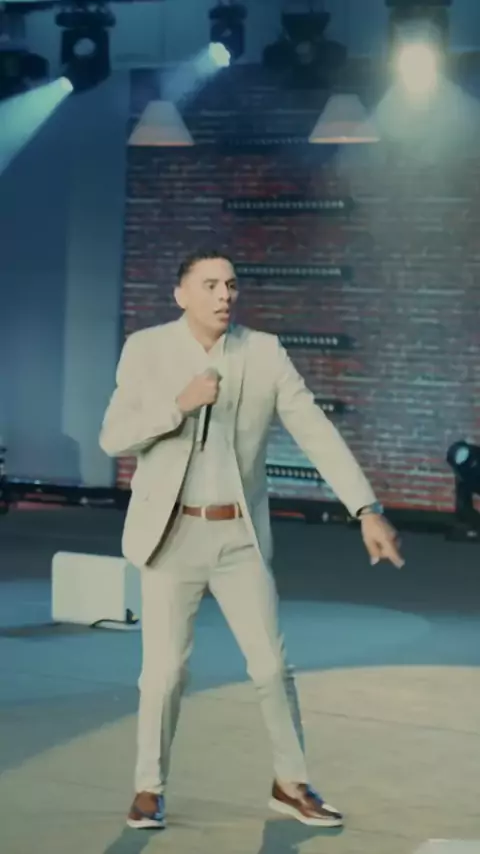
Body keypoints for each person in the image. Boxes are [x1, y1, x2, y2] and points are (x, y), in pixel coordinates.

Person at [99, 248, 404, 831]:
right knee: (164, 673)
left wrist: (366, 508)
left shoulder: (263, 352)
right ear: (181, 294)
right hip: (170, 536)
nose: (224, 295)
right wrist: (177, 405)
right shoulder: (146, 349)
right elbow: (113, 438)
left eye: (231, 285)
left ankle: (291, 783)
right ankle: (148, 787)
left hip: (238, 536)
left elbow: (314, 429)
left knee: (270, 666)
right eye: (210, 285)